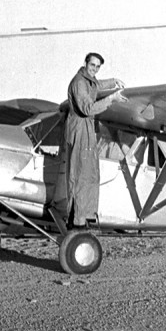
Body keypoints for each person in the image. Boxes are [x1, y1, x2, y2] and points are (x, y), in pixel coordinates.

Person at [64, 52, 126, 229]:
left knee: (87, 174)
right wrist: (111, 99)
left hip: (85, 130)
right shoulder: (79, 82)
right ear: (85, 63)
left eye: (98, 67)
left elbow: (97, 84)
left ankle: (82, 217)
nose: (95, 69)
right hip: (80, 130)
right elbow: (87, 108)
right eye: (92, 65)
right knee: (80, 175)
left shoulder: (87, 80)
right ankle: (77, 220)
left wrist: (114, 81)